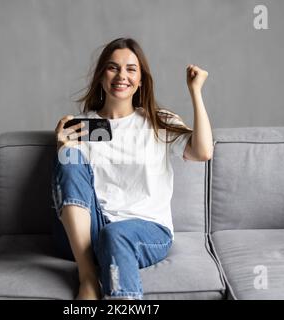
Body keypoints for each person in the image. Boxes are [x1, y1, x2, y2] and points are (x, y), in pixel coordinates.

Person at [51, 37, 213, 300]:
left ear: (141, 80)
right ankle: (88, 277)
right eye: (113, 67)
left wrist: (195, 91)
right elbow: (71, 181)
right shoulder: (86, 126)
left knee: (116, 234)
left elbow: (202, 152)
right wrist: (62, 145)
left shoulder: (157, 121)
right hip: (89, 233)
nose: (121, 76)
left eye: (130, 69)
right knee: (68, 155)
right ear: (101, 75)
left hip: (146, 229)